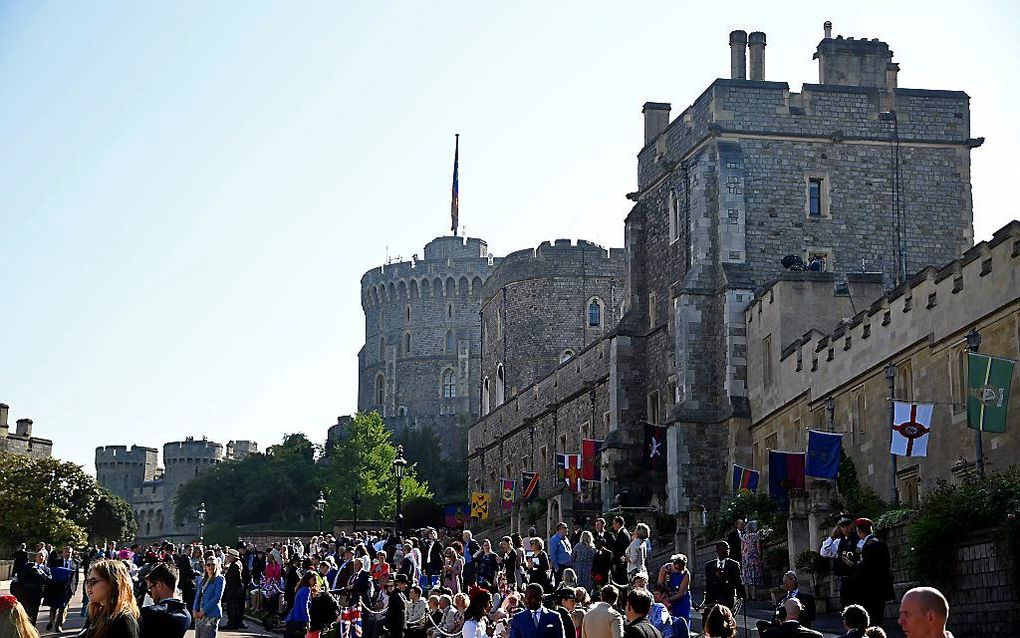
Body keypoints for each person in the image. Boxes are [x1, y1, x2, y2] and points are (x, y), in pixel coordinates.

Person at [82, 559, 141, 638]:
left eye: (93, 581)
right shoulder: (97, 612)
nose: (88, 586)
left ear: (113, 583)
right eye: (88, 581)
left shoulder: (124, 620)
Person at [852, 518, 894, 628]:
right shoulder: (880, 542)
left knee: (871, 618)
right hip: (882, 586)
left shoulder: (867, 546)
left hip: (870, 588)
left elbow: (866, 567)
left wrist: (854, 565)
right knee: (879, 616)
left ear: (859, 531)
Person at [140, 562, 191, 638]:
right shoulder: (185, 615)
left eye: (149, 590)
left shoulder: (149, 613)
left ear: (159, 585)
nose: (150, 596)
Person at [821, 518, 858, 609]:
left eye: (848, 526)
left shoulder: (858, 538)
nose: (846, 529)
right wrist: (832, 537)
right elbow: (824, 552)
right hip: (845, 579)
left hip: (858, 577)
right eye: (843, 526)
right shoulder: (838, 542)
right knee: (846, 606)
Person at [45, 546, 79, 632]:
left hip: (68, 590)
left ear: (72, 553)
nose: (67, 553)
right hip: (57, 588)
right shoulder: (56, 562)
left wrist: (74, 589)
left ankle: (59, 626)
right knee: (54, 607)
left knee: (63, 608)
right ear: (62, 553)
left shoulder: (75, 563)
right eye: (66, 552)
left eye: (69, 552)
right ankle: (51, 621)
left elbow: (76, 577)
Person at [703, 542, 744, 611]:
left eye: (728, 549)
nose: (726, 551)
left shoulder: (734, 564)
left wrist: (741, 595)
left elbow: (738, 581)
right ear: (717, 550)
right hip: (713, 598)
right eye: (724, 549)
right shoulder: (710, 565)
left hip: (728, 597)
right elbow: (708, 583)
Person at [193, 556, 225, 638]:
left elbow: (217, 597)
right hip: (199, 614)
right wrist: (194, 609)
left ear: (216, 566)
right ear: (205, 567)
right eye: (208, 564)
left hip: (211, 613)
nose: (211, 566)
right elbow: (198, 595)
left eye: (213, 564)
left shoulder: (219, 579)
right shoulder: (203, 579)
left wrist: (204, 610)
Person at [656, 554, 690, 630]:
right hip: (667, 596)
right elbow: (660, 585)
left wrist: (669, 600)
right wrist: (663, 599)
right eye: (676, 568)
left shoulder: (686, 574)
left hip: (681, 599)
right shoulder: (665, 568)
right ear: (673, 564)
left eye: (680, 569)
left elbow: (681, 592)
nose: (677, 571)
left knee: (682, 620)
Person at [17, 551, 51, 624]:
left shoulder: (46, 569)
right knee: (24, 611)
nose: (41, 557)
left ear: (45, 558)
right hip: (25, 593)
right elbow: (21, 577)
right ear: (35, 557)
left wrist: (42, 573)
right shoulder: (27, 566)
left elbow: (49, 580)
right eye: (39, 556)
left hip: (37, 594)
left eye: (43, 556)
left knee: (34, 612)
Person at [284, 572, 318, 638]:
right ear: (308, 579)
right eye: (314, 579)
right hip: (298, 621)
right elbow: (304, 607)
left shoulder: (302, 588)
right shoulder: (306, 589)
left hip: (293, 619)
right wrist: (308, 620)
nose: (315, 582)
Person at [221, 549, 246, 630]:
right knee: (233, 607)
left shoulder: (235, 565)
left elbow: (238, 579)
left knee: (232, 607)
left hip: (233, 590)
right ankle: (232, 622)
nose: (227, 557)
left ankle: (232, 623)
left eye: (229, 556)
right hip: (233, 589)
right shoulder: (235, 564)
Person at [739, 521, 764, 597]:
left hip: (745, 557)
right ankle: (753, 596)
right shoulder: (756, 536)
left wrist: (744, 556)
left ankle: (747, 595)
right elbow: (758, 547)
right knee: (753, 574)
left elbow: (742, 549)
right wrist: (760, 557)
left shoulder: (743, 536)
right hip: (754, 557)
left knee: (746, 575)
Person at [385, 574, 409, 638]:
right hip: (395, 624)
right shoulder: (394, 595)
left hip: (401, 623)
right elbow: (391, 611)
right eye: (403, 583)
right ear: (399, 583)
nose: (405, 585)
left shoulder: (402, 594)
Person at [610, 517, 630, 586]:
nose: (613, 525)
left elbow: (620, 549)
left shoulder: (622, 533)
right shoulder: (624, 532)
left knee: (620, 583)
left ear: (618, 523)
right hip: (622, 562)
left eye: (614, 523)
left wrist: (616, 562)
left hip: (620, 563)